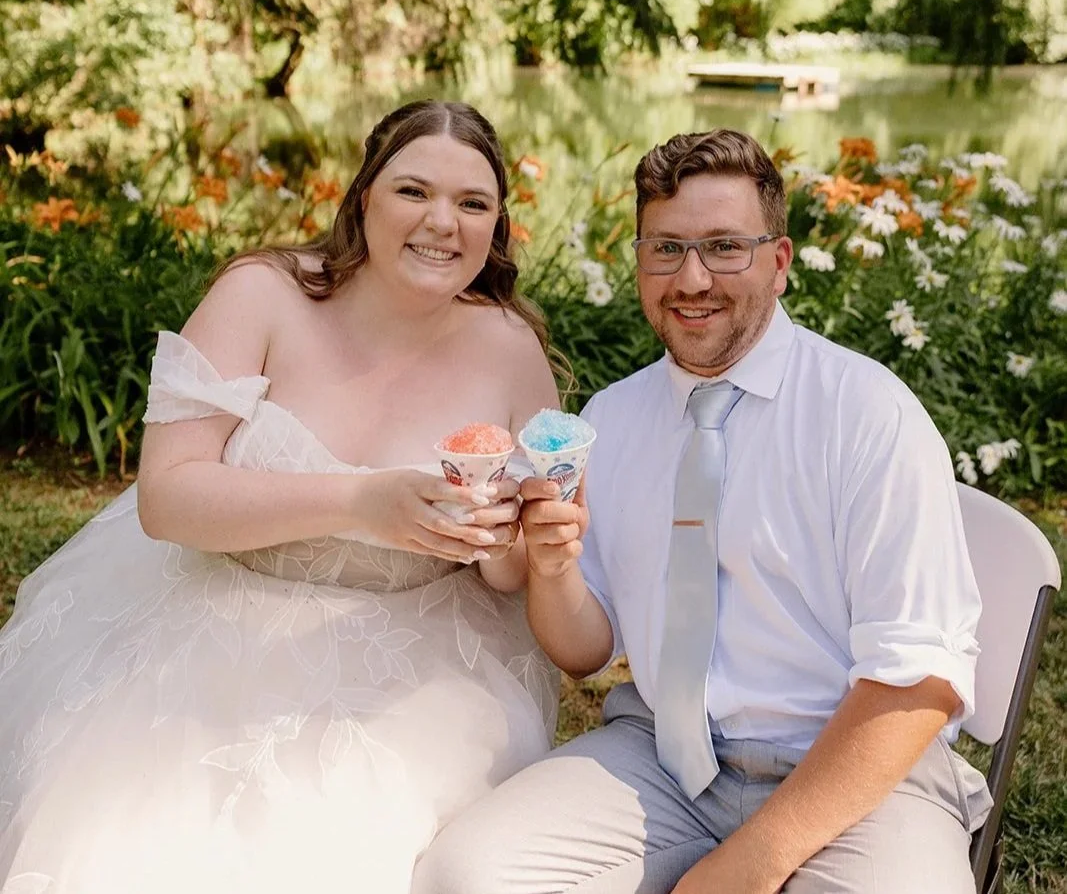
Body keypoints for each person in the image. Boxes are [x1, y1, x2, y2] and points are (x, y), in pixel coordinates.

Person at [0, 100, 561, 893]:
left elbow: (509, 575)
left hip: (414, 657)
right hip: (214, 618)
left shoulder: (509, 349)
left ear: (496, 225)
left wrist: (498, 536)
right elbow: (167, 498)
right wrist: (363, 503)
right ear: (363, 196)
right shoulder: (263, 295)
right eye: (413, 191)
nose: (443, 222)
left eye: (473, 203)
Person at [414, 128, 993, 894]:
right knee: (467, 875)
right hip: (661, 757)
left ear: (778, 263)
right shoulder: (614, 419)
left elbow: (917, 682)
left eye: (724, 247)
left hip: (856, 773)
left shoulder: (867, 415)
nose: (691, 278)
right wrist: (553, 569)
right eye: (666, 249)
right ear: (639, 262)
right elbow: (586, 649)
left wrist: (749, 862)